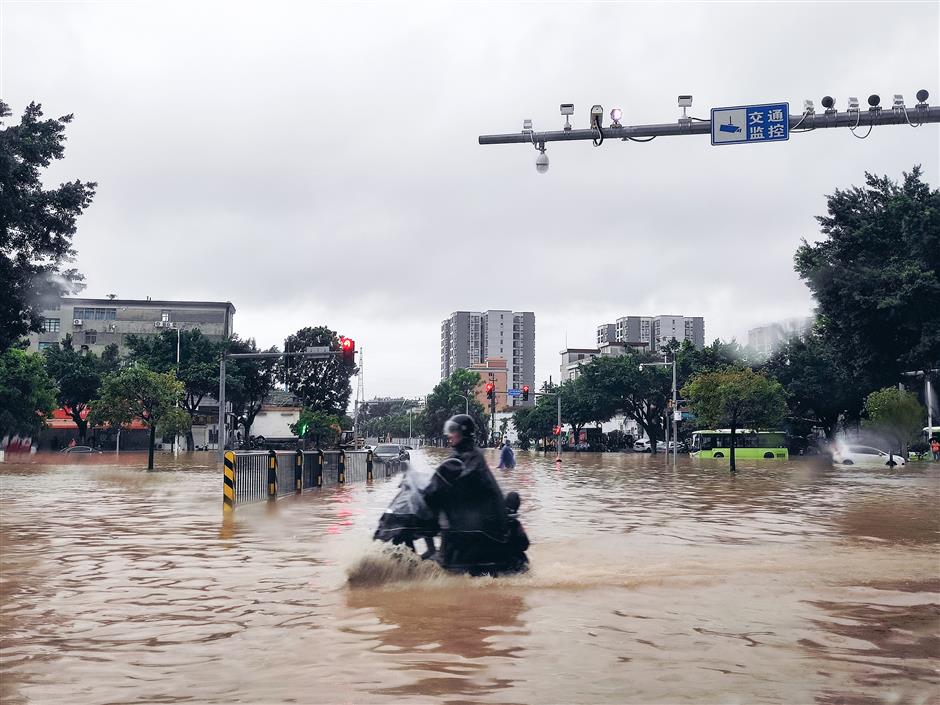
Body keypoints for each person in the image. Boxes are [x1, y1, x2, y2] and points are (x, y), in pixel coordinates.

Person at [422, 414, 517, 576]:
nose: (450, 435)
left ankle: (450, 566)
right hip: (466, 517)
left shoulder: (473, 456)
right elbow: (442, 474)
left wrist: (444, 486)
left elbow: (461, 476)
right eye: (449, 431)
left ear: (464, 433)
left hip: (480, 524)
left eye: (454, 431)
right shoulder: (457, 455)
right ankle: (438, 557)